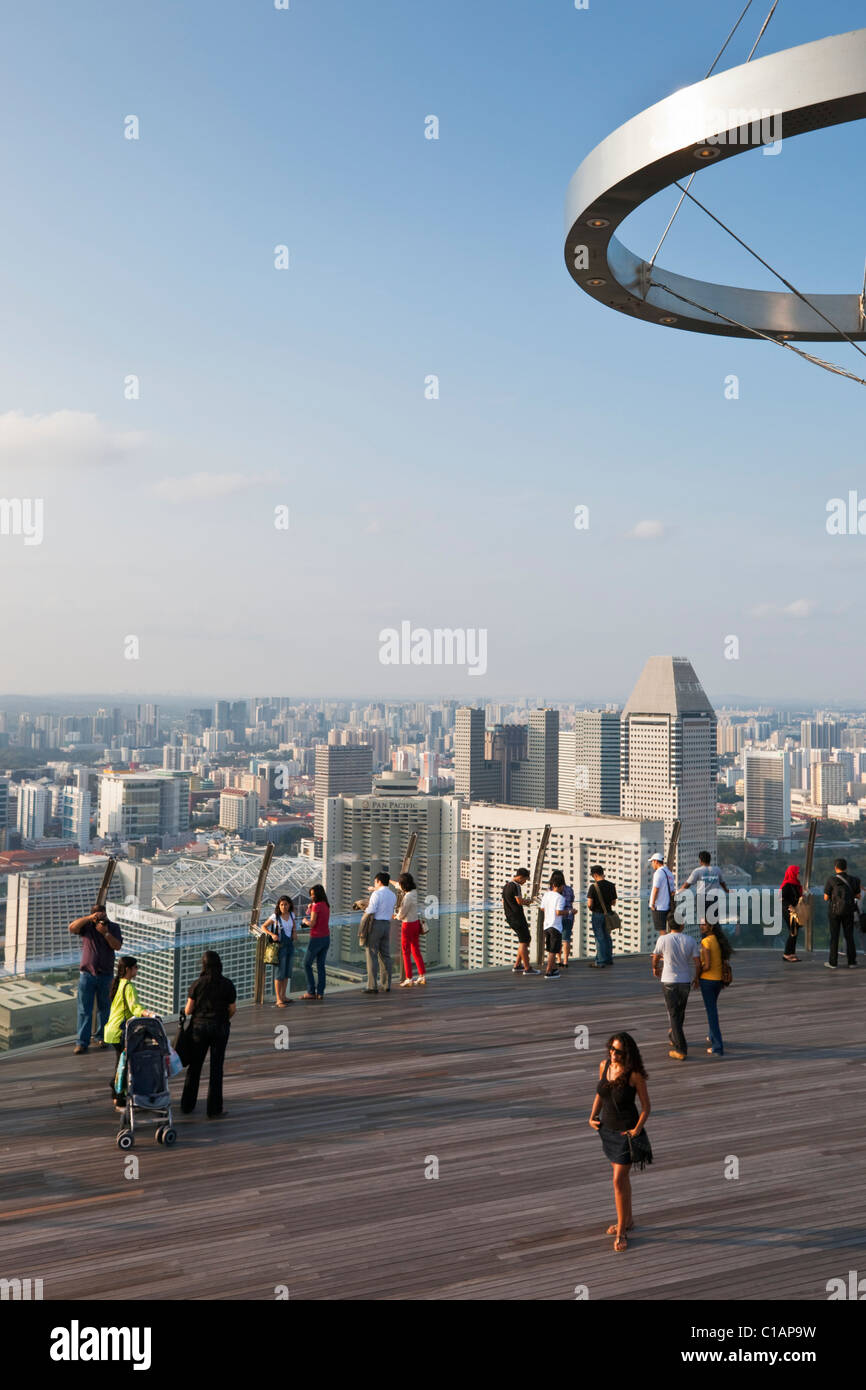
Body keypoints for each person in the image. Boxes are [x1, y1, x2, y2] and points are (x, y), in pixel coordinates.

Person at [588, 1033, 651, 1254]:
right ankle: (629, 1219)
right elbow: (601, 1093)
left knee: (617, 1181)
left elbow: (646, 1107)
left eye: (618, 1052)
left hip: (626, 1134)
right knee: (622, 1182)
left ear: (628, 1054)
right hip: (607, 1131)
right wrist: (592, 1116)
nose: (613, 1054)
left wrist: (637, 1129)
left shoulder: (634, 1076)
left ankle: (621, 1231)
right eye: (611, 1049)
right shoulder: (604, 1065)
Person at [181, 951, 237, 1119]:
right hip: (220, 1028)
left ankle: (187, 1105)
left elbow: (188, 1010)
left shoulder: (197, 984)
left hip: (199, 1028)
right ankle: (214, 1109)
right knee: (216, 1068)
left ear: (204, 965)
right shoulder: (227, 984)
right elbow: (232, 1009)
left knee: (195, 1067)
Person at [69, 904, 123, 1054]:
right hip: (87, 974)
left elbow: (117, 946)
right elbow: (72, 928)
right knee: (84, 1010)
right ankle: (82, 1042)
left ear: (106, 914)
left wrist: (105, 933)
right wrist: (89, 919)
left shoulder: (113, 927)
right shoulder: (87, 927)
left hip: (106, 975)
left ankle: (102, 1038)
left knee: (105, 1009)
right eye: (96, 915)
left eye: (102, 914)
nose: (100, 918)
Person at [104, 956, 154, 1108]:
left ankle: (116, 1092)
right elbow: (135, 1008)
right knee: (124, 1065)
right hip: (120, 1031)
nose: (137, 970)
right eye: (135, 967)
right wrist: (148, 1014)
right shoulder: (128, 986)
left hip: (111, 1030)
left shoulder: (117, 983)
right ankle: (117, 1092)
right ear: (128, 969)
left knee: (121, 1062)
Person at [651, 916, 700, 1060]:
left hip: (668, 981)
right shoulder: (690, 940)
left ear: (668, 926)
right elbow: (697, 962)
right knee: (680, 1012)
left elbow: (655, 956)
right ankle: (674, 1036)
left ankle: (681, 1049)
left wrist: (655, 968)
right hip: (685, 981)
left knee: (673, 1013)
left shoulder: (663, 939)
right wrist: (697, 977)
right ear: (682, 925)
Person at [697, 921, 733, 1056]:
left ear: (710, 927)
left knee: (712, 1014)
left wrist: (697, 974)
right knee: (712, 1009)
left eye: (704, 925)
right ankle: (712, 1036)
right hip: (718, 981)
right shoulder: (718, 940)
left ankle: (717, 1047)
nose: (701, 927)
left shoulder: (706, 942)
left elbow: (707, 965)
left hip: (707, 981)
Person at [823, 857, 861, 970]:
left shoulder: (831, 880)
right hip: (849, 911)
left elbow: (826, 898)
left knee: (834, 936)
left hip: (834, 912)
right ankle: (852, 962)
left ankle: (833, 963)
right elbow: (858, 896)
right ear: (846, 868)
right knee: (849, 936)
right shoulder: (855, 880)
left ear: (835, 868)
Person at [362, 872, 396, 994]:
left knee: (371, 954)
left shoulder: (376, 894)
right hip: (387, 925)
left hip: (376, 925)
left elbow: (371, 910)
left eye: (375, 882)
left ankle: (372, 986)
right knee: (385, 955)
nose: (374, 884)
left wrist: (363, 908)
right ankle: (386, 984)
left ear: (379, 882)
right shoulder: (393, 895)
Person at [502, 868, 539, 975]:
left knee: (524, 939)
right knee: (524, 940)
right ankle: (527, 968)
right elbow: (519, 901)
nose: (525, 882)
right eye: (525, 879)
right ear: (521, 877)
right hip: (517, 916)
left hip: (509, 916)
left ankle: (517, 965)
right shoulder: (516, 886)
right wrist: (529, 901)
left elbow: (504, 900)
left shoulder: (506, 885)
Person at [680, 851, 729, 928]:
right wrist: (726, 890)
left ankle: (705, 937)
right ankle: (715, 937)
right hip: (713, 898)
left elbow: (687, 884)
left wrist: (678, 892)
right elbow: (722, 882)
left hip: (701, 899)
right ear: (710, 860)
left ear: (700, 860)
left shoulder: (697, 871)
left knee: (703, 922)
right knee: (714, 922)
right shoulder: (717, 870)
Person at [262, 895, 296, 1006]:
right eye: (282, 904)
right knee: (279, 973)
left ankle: (283, 996)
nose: (284, 906)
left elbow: (293, 926)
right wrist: (272, 935)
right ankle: (278, 999)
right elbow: (264, 926)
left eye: (286, 904)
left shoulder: (292, 915)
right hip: (280, 948)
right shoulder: (275, 917)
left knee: (287, 973)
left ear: (289, 905)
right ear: (279, 906)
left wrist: (295, 932)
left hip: (290, 946)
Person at [395, 872, 426, 987]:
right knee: (416, 950)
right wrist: (390, 881)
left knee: (406, 952)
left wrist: (396, 916)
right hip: (416, 923)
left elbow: (402, 913)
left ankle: (409, 978)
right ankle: (422, 975)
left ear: (404, 885)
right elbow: (399, 886)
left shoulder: (407, 897)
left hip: (407, 925)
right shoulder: (414, 893)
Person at [302, 885, 331, 999]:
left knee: (306, 963)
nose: (311, 896)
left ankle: (311, 991)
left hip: (316, 938)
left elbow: (312, 923)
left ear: (318, 894)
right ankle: (320, 992)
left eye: (313, 894)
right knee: (320, 966)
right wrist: (311, 907)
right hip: (326, 938)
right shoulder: (325, 905)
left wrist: (305, 920)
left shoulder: (317, 906)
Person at [587, 865, 617, 969]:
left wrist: (593, 908)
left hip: (597, 914)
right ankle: (608, 959)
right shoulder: (611, 885)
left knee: (599, 938)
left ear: (595, 875)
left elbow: (589, 904)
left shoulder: (593, 887)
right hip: (608, 914)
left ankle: (600, 961)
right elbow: (613, 902)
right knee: (607, 936)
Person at [540, 872, 566, 979]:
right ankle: (548, 971)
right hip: (555, 926)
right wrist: (570, 912)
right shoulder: (560, 898)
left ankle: (554, 969)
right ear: (561, 886)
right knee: (553, 950)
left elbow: (542, 908)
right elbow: (559, 912)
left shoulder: (546, 894)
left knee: (550, 948)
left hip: (546, 925)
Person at [649, 853, 676, 939]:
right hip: (668, 906)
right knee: (671, 930)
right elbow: (672, 892)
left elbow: (656, 889)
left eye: (652, 862)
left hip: (659, 907)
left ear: (656, 861)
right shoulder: (669, 873)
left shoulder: (658, 873)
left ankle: (665, 950)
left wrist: (652, 903)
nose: (652, 864)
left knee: (662, 931)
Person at [780, 865, 803, 962]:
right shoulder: (787, 884)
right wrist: (790, 907)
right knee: (793, 932)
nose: (798, 874)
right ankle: (787, 954)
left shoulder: (796, 884)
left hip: (795, 910)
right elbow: (782, 898)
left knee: (795, 932)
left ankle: (792, 953)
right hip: (789, 911)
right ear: (792, 873)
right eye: (797, 872)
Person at [558, 878, 575, 967]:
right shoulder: (569, 889)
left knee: (557, 939)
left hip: (557, 917)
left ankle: (558, 959)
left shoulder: (551, 890)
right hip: (569, 916)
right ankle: (565, 961)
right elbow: (572, 900)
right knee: (566, 939)